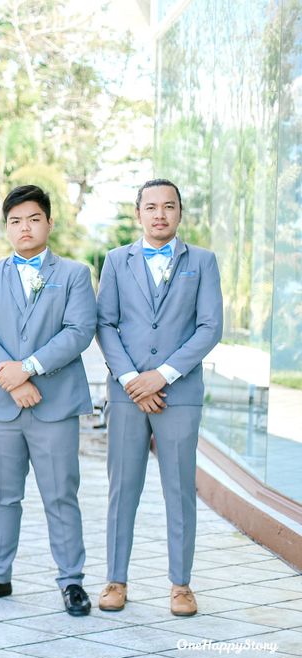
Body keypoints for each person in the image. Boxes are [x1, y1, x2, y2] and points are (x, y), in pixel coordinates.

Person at [0, 184, 96, 616]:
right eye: (15, 221)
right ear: (7, 227)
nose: (24, 227)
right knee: (1, 495)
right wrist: (14, 382)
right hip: (1, 407)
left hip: (55, 406)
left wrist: (30, 368)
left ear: (49, 223)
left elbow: (78, 331)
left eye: (33, 219)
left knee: (60, 495)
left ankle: (71, 581)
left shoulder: (73, 274)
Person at [96, 178, 222, 617]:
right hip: (127, 393)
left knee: (180, 489)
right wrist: (133, 380)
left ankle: (181, 585)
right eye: (151, 207)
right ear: (138, 214)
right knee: (122, 488)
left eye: (169, 206)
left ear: (180, 212)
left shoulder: (202, 261)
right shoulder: (116, 260)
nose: (160, 215)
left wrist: (163, 375)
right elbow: (105, 324)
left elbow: (210, 327)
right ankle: (115, 580)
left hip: (178, 393)